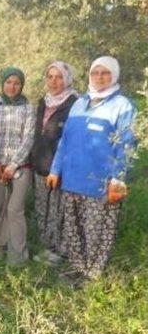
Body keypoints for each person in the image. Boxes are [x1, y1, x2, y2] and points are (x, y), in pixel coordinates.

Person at [47, 56, 136, 282]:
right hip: (71, 179)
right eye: (95, 73)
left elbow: (126, 145)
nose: (99, 78)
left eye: (105, 73)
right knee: (74, 228)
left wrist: (118, 180)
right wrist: (55, 169)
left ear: (114, 75)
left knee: (96, 231)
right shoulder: (79, 103)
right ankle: (77, 268)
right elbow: (64, 141)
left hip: (100, 184)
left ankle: (91, 275)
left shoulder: (122, 106)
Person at [30, 61, 77, 265]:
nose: (54, 81)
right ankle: (47, 246)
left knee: (58, 210)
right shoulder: (44, 101)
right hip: (40, 164)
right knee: (42, 207)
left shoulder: (75, 103)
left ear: (67, 79)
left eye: (58, 77)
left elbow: (73, 139)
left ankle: (58, 251)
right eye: (50, 77)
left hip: (60, 168)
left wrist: (60, 166)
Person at [0, 68, 36, 265]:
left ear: (21, 85)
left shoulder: (28, 108)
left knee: (15, 210)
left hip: (20, 168)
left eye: (16, 83)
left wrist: (13, 165)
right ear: (3, 84)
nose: (12, 86)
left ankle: (17, 257)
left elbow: (29, 138)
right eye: (8, 82)